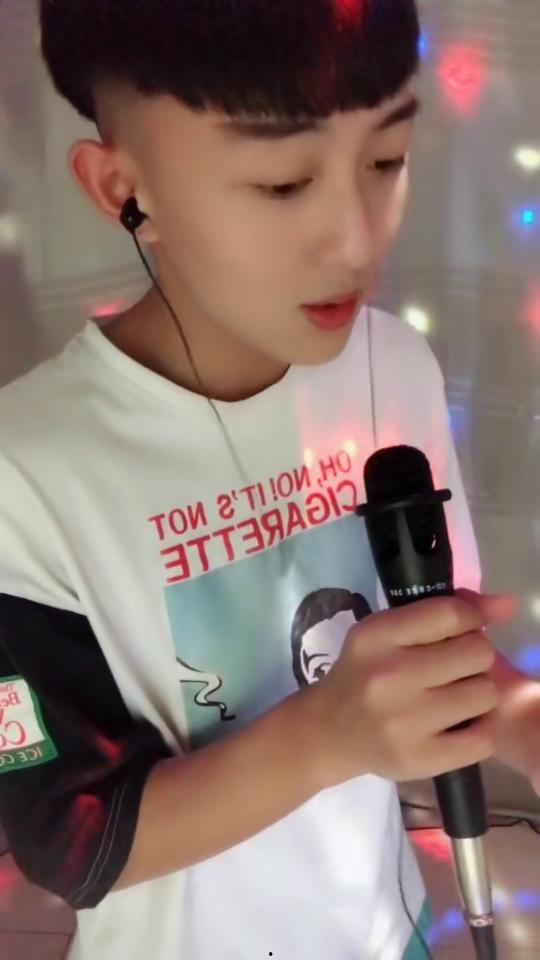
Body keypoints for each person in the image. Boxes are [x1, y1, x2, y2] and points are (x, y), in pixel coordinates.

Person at [0, 2, 539, 958]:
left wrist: (523, 721)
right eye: (285, 181)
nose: (357, 240)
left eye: (386, 159)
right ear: (123, 187)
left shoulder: (394, 365)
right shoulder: (28, 468)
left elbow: (435, 661)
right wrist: (326, 735)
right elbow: (71, 843)